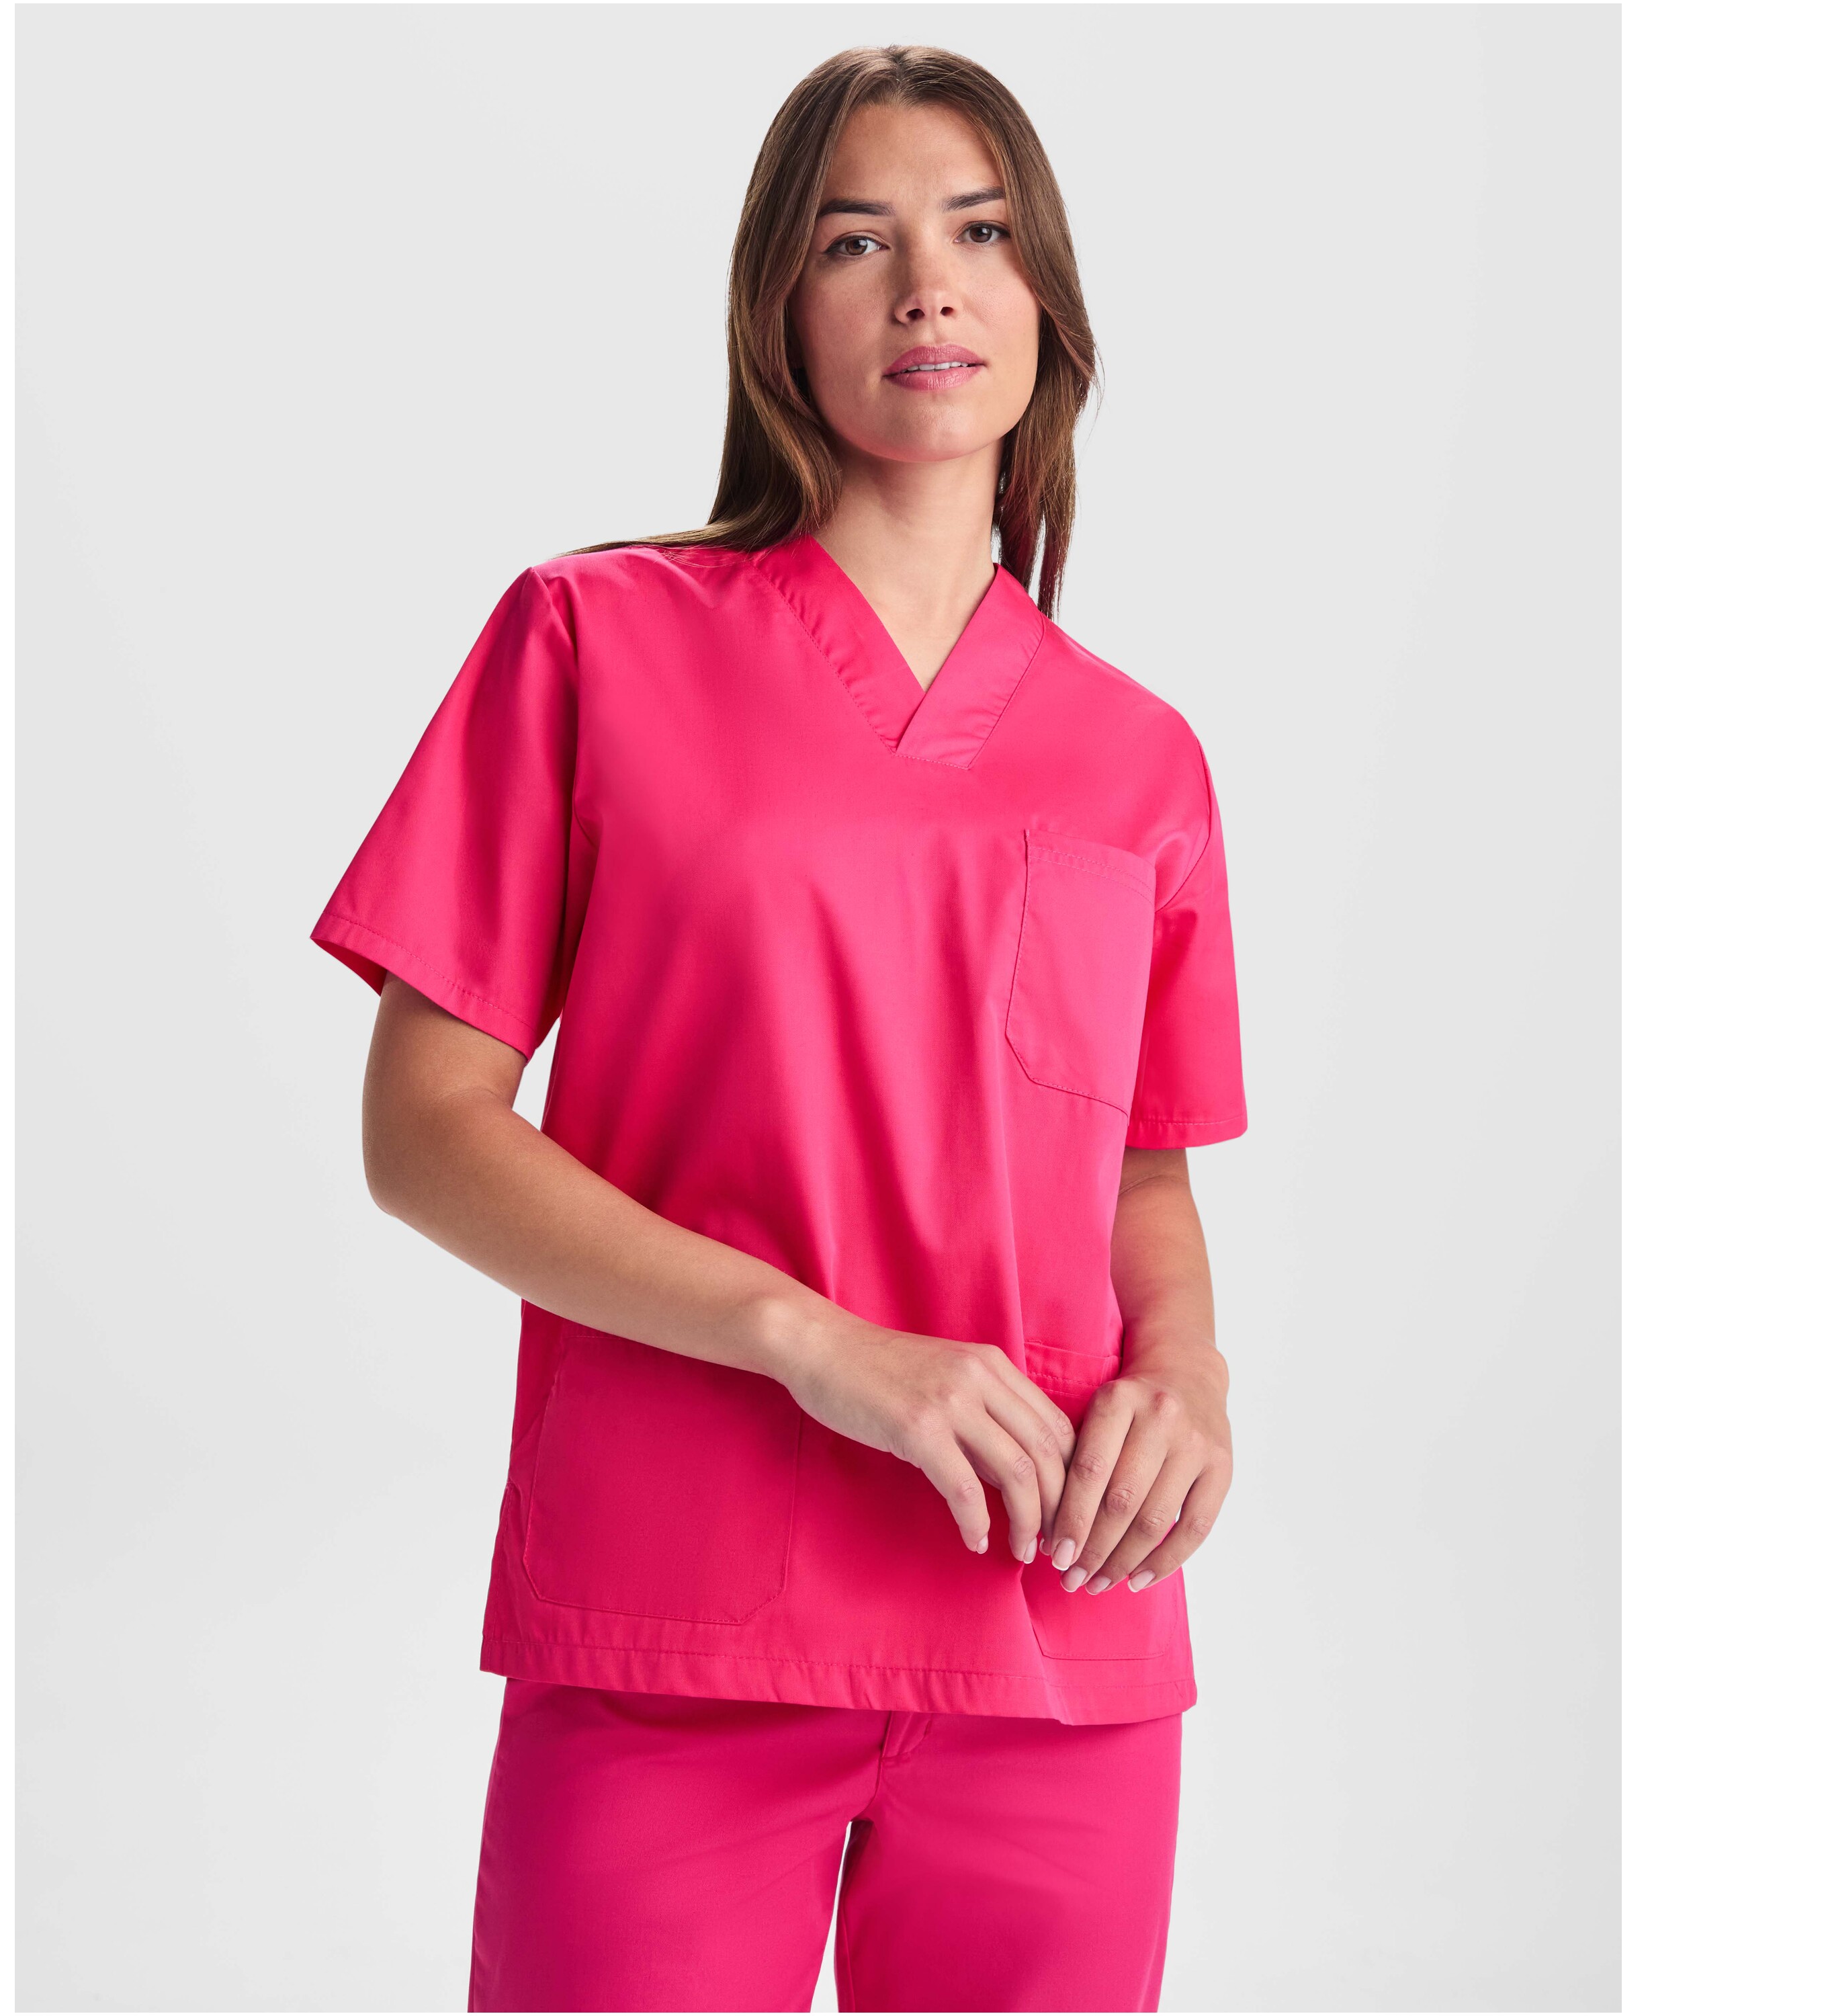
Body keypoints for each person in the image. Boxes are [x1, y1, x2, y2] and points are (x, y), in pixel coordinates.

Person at [310, 42, 1247, 2015]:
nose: (928, 285)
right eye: (856, 240)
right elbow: (424, 1127)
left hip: (1054, 1636)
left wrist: (1189, 1375)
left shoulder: (1141, 758)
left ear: (1048, 306)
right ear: (777, 313)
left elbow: (1138, 1171)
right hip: (674, 1623)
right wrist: (818, 1346)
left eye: (979, 231)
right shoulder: (591, 640)